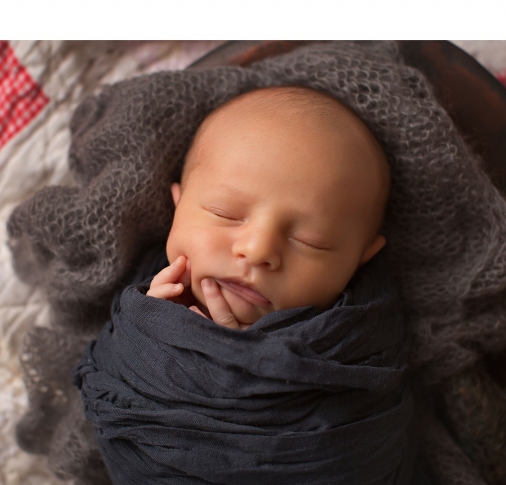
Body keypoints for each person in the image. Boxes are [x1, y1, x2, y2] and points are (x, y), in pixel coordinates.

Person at [144, 85, 391, 328]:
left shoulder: (356, 336)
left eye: (309, 240)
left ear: (360, 258)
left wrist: (241, 357)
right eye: (225, 213)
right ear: (179, 205)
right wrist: (146, 321)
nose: (257, 250)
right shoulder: (140, 282)